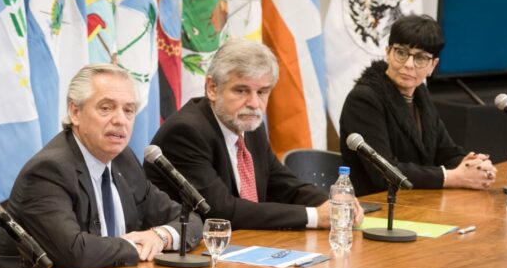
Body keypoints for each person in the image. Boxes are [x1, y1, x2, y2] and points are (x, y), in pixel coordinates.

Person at [0, 64, 202, 268]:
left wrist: (160, 236)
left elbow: (189, 219)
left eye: (128, 111)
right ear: (75, 112)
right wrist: (137, 246)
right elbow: (76, 252)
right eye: (106, 108)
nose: (120, 120)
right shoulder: (48, 171)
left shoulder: (124, 160)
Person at [148, 39, 362, 230]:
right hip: (189, 252)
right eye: (241, 90)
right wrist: (314, 216)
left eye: (262, 92)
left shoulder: (250, 126)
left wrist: (333, 203)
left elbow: (283, 184)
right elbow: (220, 211)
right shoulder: (185, 133)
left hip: (243, 246)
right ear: (212, 88)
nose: (254, 103)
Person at [339, 15, 496, 196]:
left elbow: (445, 151)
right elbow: (383, 172)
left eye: (420, 58)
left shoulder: (420, 94)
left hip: (418, 200)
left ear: (433, 65)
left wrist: (473, 166)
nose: (408, 64)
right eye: (401, 53)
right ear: (388, 52)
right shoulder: (364, 99)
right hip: (376, 204)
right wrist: (451, 177)